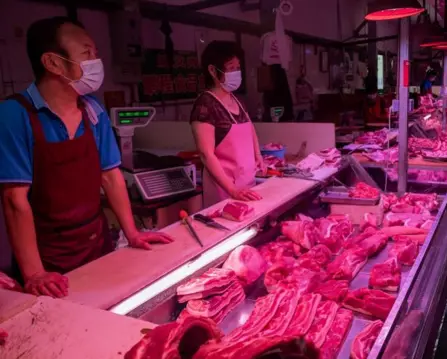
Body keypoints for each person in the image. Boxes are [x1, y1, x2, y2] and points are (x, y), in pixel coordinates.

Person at [0, 17, 173, 298]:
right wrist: (34, 274)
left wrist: (133, 233)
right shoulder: (13, 115)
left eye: (96, 53)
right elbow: (14, 200)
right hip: (47, 257)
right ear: (53, 63)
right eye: (87, 53)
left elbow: (111, 176)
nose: (97, 60)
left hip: (96, 243)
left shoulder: (93, 110)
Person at [190, 41, 265, 207]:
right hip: (223, 191)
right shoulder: (205, 105)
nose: (237, 73)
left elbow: (249, 127)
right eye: (231, 68)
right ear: (212, 70)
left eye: (238, 68)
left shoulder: (235, 100)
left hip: (246, 185)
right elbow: (206, 154)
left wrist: (258, 155)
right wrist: (232, 190)